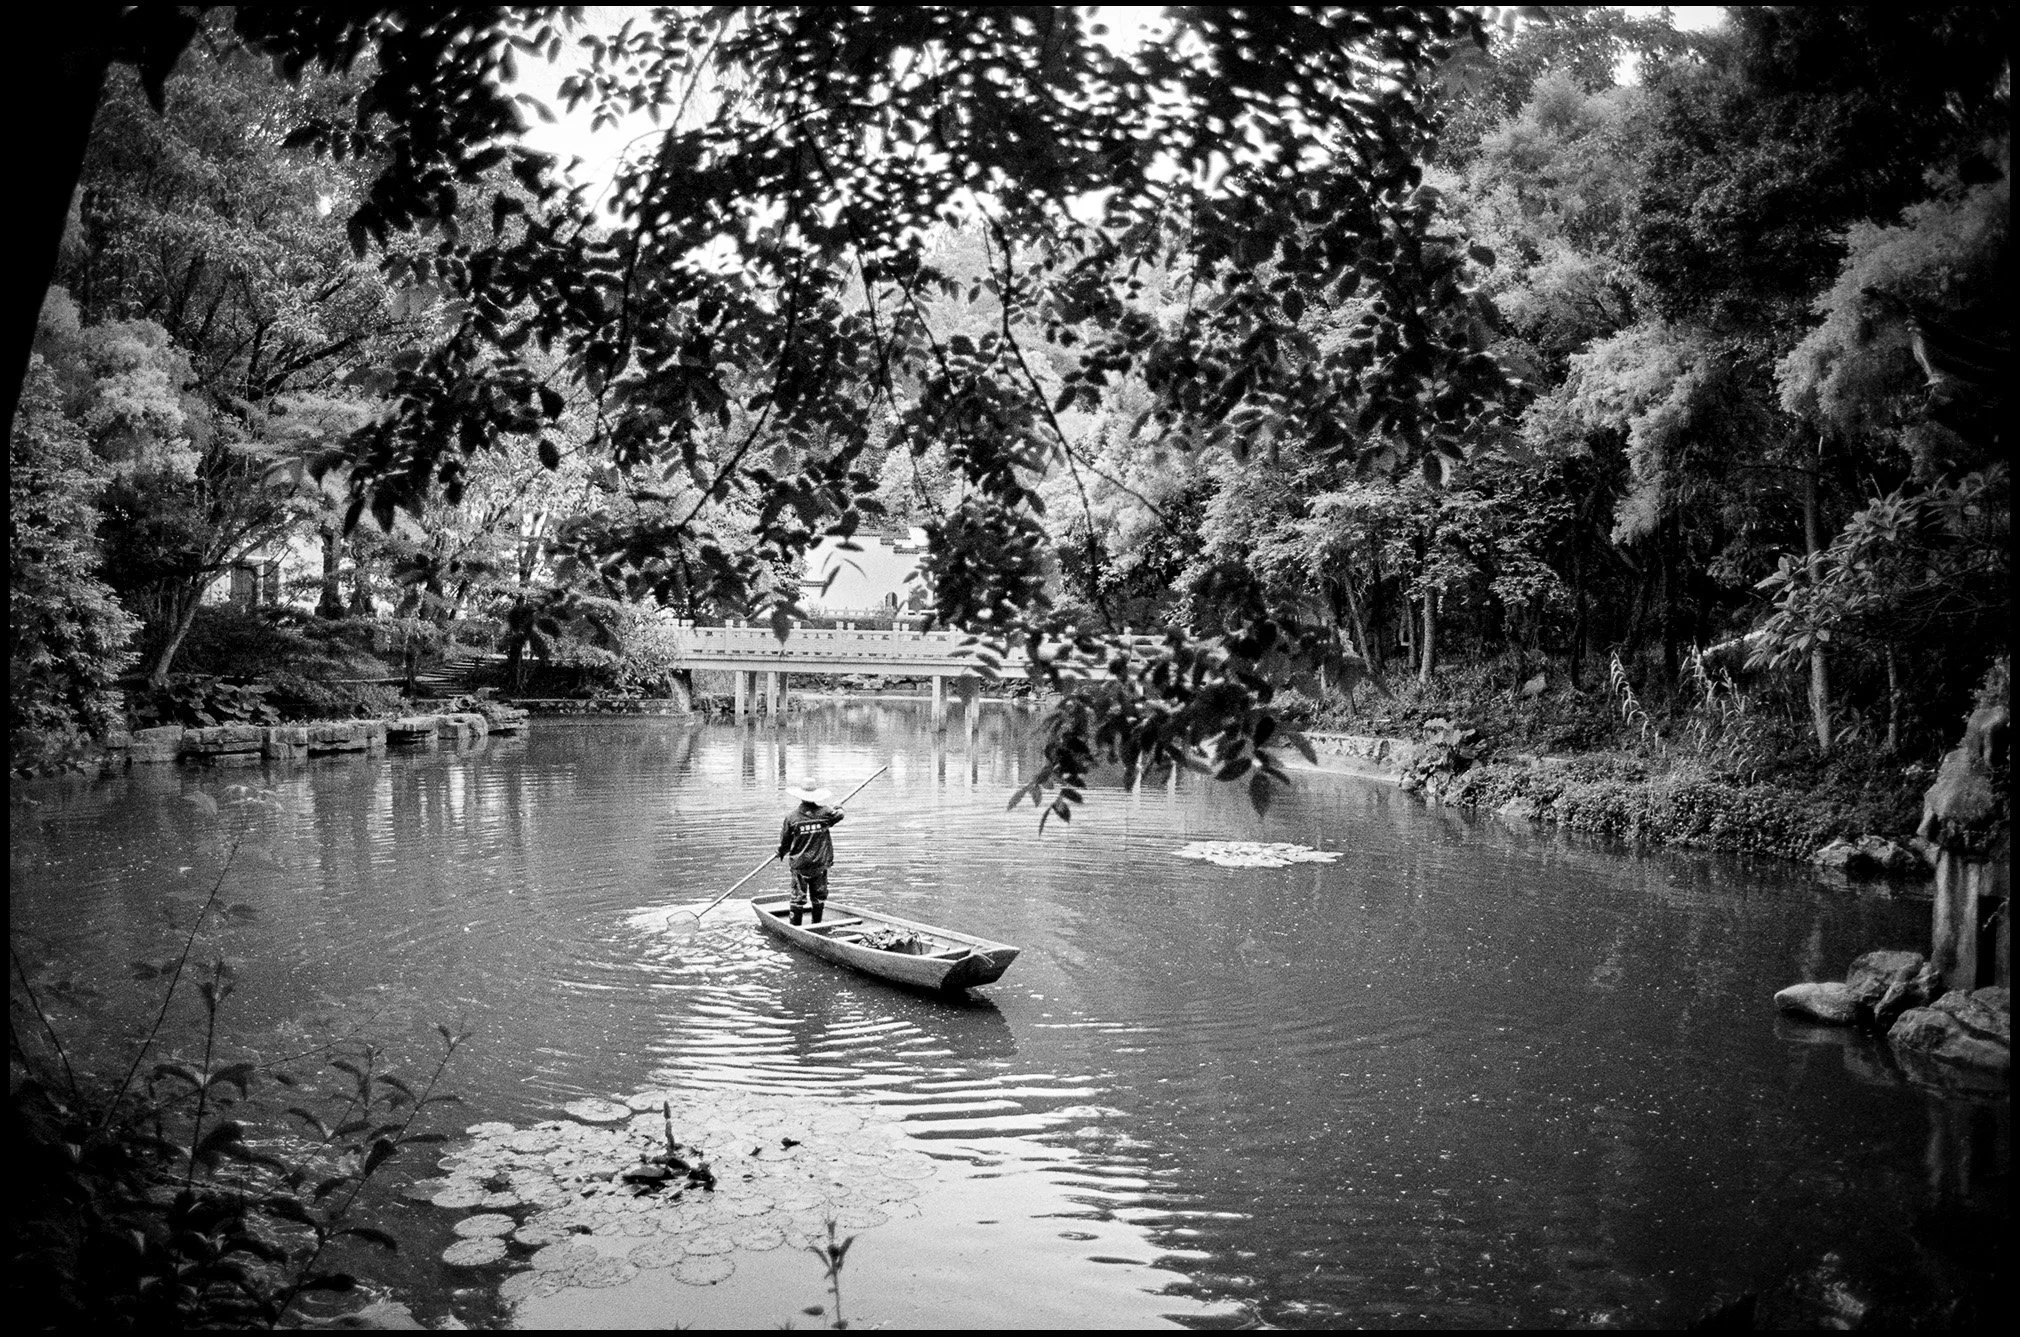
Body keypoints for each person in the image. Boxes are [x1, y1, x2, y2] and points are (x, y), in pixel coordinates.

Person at [778, 779, 845, 926]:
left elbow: (785, 843)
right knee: (819, 896)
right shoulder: (825, 813)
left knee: (798, 897)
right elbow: (839, 815)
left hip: (800, 863)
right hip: (819, 863)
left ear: (801, 796)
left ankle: (795, 928)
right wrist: (839, 807)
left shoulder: (791, 817)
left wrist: (781, 852)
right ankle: (817, 925)